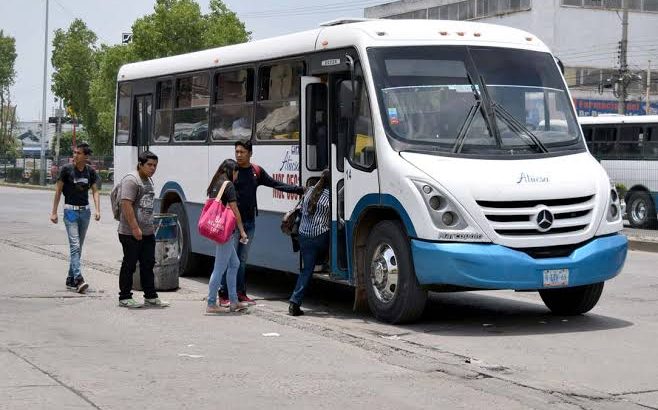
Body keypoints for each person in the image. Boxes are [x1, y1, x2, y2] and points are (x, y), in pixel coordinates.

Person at [217, 139, 305, 307]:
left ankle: (241, 293)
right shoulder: (231, 172)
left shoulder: (256, 172)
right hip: (232, 223)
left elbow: (275, 184)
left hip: (249, 223)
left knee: (242, 260)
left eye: (242, 152)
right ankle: (223, 294)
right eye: (237, 152)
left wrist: (298, 190)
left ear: (250, 153)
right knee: (229, 259)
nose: (239, 155)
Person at [117, 150, 169, 309]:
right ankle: (124, 297)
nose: (153, 168)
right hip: (130, 232)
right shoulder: (132, 180)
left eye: (155, 165)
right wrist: (135, 228)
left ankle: (150, 296)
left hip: (147, 231)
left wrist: (149, 228)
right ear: (140, 164)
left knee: (148, 264)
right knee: (130, 264)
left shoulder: (148, 180)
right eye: (149, 165)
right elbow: (126, 204)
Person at [50, 143, 100, 294]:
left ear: (85, 156)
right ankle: (78, 279)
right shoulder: (66, 170)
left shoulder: (90, 171)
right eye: (75, 153)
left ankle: (70, 279)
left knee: (78, 247)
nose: (75, 155)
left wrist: (97, 209)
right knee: (75, 246)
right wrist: (54, 212)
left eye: (78, 153)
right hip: (70, 211)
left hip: (85, 212)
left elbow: (95, 191)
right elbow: (58, 191)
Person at [205, 159, 250, 314]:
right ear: (232, 171)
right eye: (236, 172)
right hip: (225, 232)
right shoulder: (228, 185)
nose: (237, 176)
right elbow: (235, 210)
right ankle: (211, 303)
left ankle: (234, 302)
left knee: (234, 264)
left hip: (218, 229)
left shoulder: (216, 182)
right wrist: (242, 231)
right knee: (219, 268)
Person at [288, 169, 331, 316]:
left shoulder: (310, 190)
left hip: (303, 236)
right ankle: (328, 263)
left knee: (306, 270)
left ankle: (294, 302)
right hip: (319, 237)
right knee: (336, 237)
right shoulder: (331, 196)